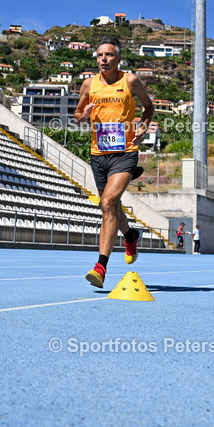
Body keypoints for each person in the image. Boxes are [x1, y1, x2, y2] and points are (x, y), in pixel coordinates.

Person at [75, 37, 154, 288]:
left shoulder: (130, 81)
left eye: (108, 55)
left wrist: (143, 126)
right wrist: (84, 115)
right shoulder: (89, 84)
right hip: (98, 154)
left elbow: (149, 107)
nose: (103, 59)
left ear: (118, 58)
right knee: (111, 207)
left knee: (108, 203)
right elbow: (77, 113)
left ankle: (100, 267)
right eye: (100, 55)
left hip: (125, 151)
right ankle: (130, 235)